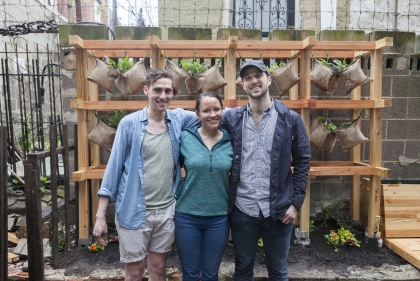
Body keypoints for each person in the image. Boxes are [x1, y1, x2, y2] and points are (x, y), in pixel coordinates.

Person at [92, 69, 200, 281]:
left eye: (168, 91)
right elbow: (113, 169)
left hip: (166, 210)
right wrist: (100, 216)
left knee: (159, 269)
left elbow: (209, 113)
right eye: (157, 90)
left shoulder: (178, 119)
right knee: (134, 273)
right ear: (146, 90)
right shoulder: (129, 124)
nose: (163, 96)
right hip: (134, 211)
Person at [222, 59, 311, 281]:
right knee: (242, 269)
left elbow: (302, 160)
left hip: (279, 209)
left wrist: (295, 203)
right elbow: (204, 115)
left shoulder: (290, 119)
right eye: (248, 78)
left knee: (278, 271)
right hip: (243, 209)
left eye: (258, 75)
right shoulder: (231, 118)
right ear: (242, 85)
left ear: (269, 79)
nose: (254, 81)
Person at [174, 92, 233, 281]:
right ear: (197, 114)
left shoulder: (231, 141)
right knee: (190, 275)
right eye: (206, 110)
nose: (212, 114)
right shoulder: (185, 137)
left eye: (217, 109)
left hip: (218, 217)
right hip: (187, 216)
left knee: (210, 275)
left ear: (222, 111)